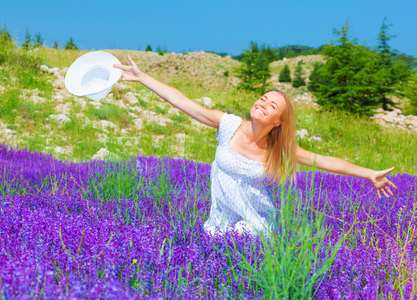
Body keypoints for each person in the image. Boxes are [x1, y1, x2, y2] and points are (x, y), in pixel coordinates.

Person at [113, 56, 397, 237]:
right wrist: (142, 78)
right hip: (219, 221)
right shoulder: (228, 125)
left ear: (278, 122)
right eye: (263, 98)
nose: (262, 103)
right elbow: (183, 102)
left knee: (243, 241)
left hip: (255, 225)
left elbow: (325, 161)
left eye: (272, 105)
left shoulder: (279, 150)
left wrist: (369, 173)